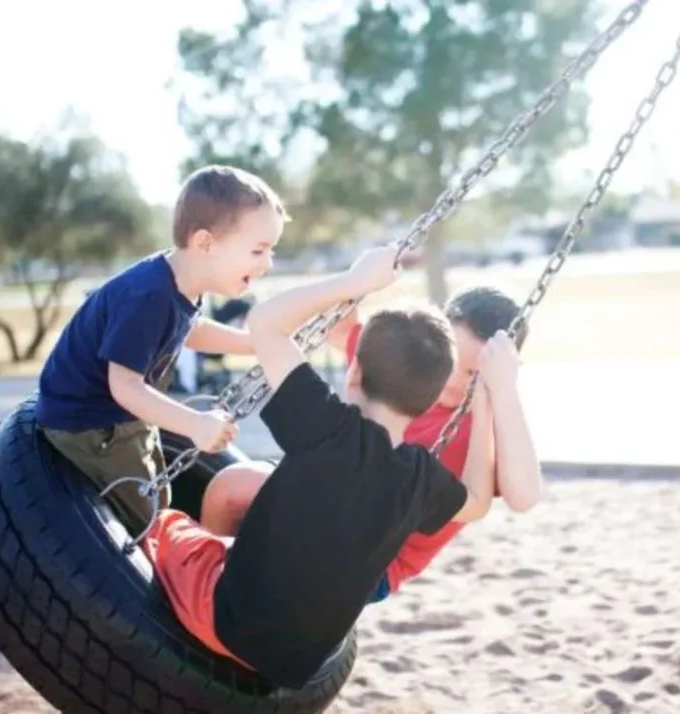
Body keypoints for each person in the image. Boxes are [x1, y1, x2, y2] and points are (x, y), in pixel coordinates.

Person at [139, 245, 530, 689]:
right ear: (435, 384)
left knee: (163, 525)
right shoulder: (421, 477)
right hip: (296, 667)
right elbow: (477, 503)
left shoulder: (323, 422)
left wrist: (353, 281)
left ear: (354, 373)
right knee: (244, 513)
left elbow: (266, 320)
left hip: (226, 623)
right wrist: (486, 396)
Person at [198, 285, 543, 601]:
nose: (455, 379)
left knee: (249, 499)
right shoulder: (407, 363)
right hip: (325, 500)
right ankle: (211, 587)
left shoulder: (488, 425)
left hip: (373, 559)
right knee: (229, 491)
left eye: (474, 374)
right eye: (454, 361)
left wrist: (502, 391)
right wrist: (360, 281)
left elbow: (524, 496)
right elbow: (339, 327)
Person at [35, 165, 286, 535]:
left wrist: (253, 346)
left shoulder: (180, 281)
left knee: (161, 492)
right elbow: (125, 386)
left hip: (120, 416)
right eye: (258, 250)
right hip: (90, 424)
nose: (268, 263)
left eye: (272, 250)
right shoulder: (149, 295)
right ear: (205, 244)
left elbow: (191, 329)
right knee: (145, 513)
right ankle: (150, 576)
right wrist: (196, 424)